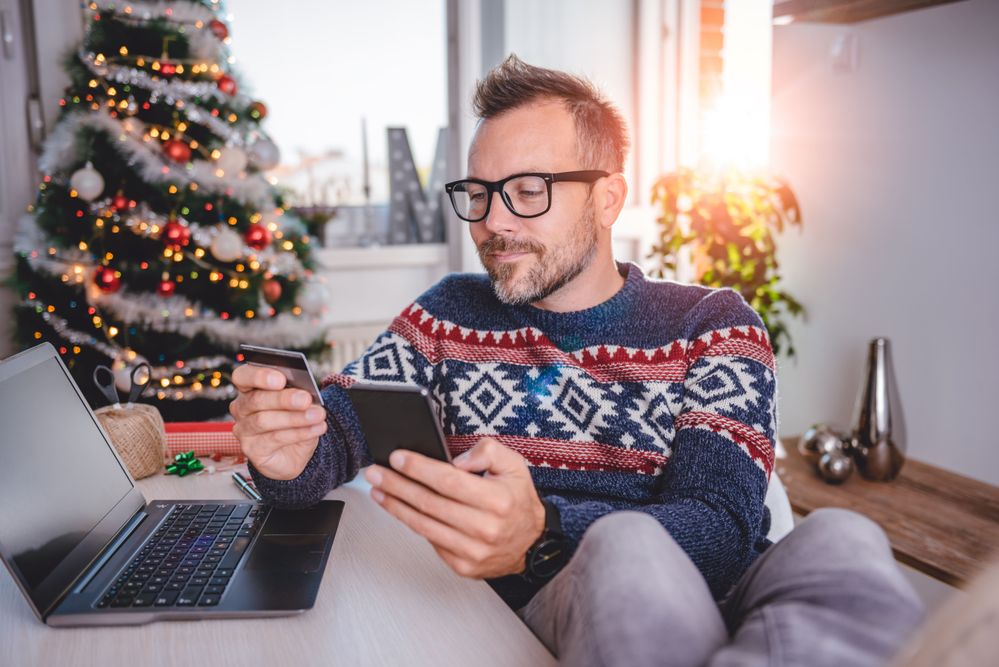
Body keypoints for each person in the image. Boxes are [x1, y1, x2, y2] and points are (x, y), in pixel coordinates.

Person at [229, 55, 924, 666]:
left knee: (843, 536)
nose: (493, 222)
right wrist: (286, 453)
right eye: (478, 192)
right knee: (627, 547)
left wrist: (541, 527)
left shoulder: (713, 324)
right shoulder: (444, 315)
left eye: (528, 190)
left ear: (608, 197)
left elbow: (721, 526)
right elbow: (333, 440)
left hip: (725, 593)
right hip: (564, 601)